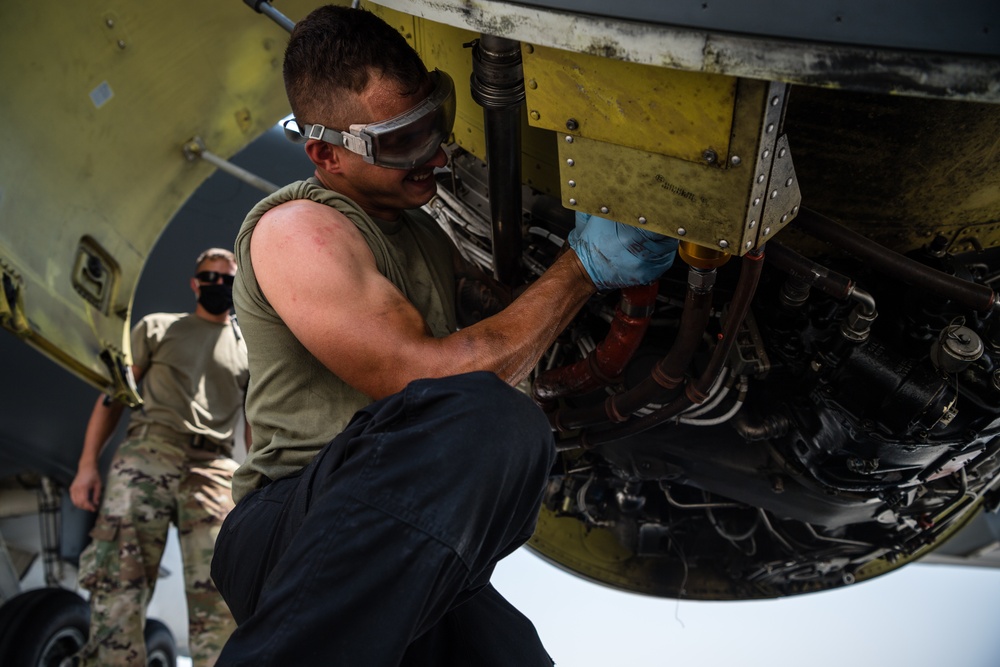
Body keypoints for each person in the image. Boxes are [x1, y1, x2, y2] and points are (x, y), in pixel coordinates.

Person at [210, 6, 678, 666]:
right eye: (401, 142)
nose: (432, 151)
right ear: (326, 153)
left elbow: (505, 324)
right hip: (294, 525)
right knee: (497, 421)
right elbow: (425, 380)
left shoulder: (426, 237)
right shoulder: (298, 230)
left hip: (397, 536)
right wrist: (582, 270)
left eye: (434, 120)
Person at [70, 248, 251, 667]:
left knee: (223, 587)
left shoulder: (247, 350)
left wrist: (254, 484)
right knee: (118, 578)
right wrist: (86, 466)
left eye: (227, 279)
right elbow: (113, 396)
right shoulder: (158, 328)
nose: (218, 286)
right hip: (149, 453)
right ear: (195, 283)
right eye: (210, 277)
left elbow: (251, 425)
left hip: (214, 468)